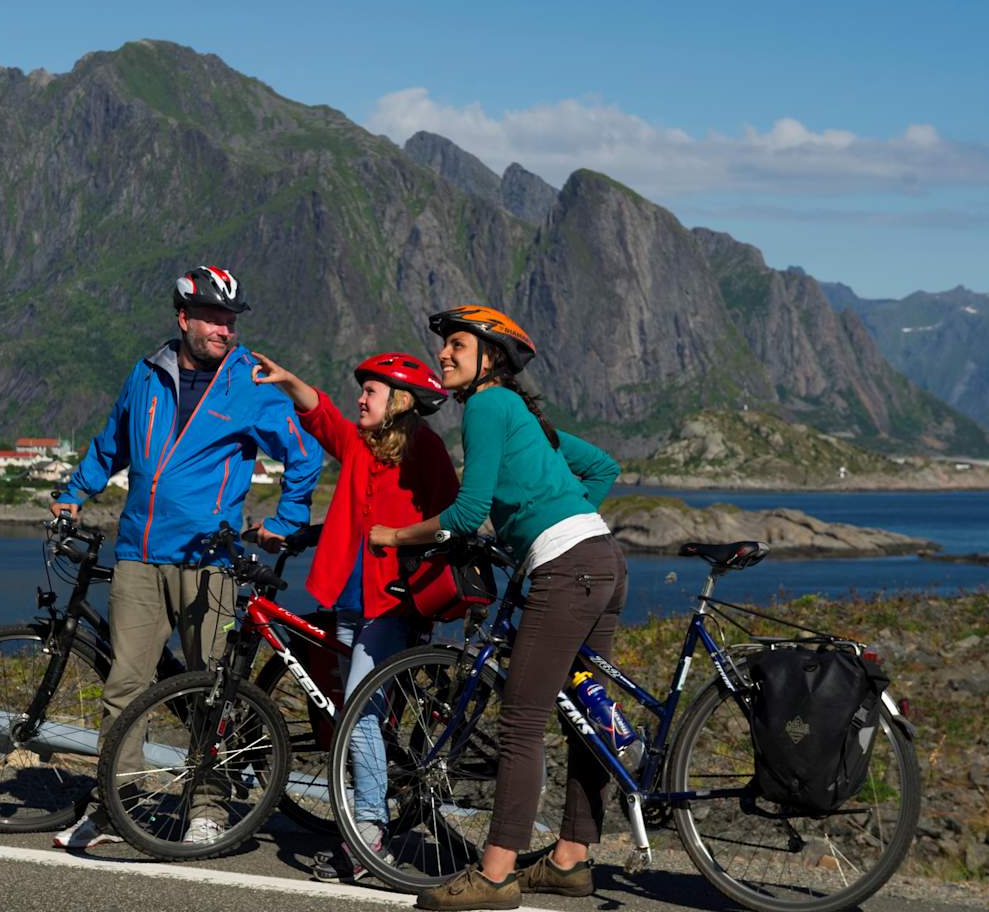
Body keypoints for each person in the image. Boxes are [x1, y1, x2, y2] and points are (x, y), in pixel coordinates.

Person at [50, 265, 322, 850]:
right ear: (184, 319)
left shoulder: (248, 382)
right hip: (139, 555)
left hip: (209, 563)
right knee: (125, 686)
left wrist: (285, 522)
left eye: (231, 320)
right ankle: (115, 804)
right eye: (215, 319)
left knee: (210, 689)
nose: (225, 329)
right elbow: (110, 446)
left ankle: (210, 805)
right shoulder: (146, 375)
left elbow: (304, 457)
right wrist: (71, 495)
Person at [368, 305, 624, 911]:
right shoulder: (520, 413)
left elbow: (464, 512)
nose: (445, 355)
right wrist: (550, 518)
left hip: (567, 568)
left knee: (520, 723)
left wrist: (394, 536)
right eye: (444, 346)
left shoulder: (486, 406)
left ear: (492, 358)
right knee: (584, 717)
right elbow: (603, 469)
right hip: (603, 560)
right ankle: (569, 860)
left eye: (458, 345)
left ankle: (495, 875)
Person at [250, 350, 459, 883]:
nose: (360, 398)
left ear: (400, 401)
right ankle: (368, 817)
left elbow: (452, 515)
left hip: (393, 601)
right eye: (361, 389)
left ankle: (368, 833)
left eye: (371, 391)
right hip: (347, 595)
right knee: (358, 709)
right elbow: (320, 415)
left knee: (361, 710)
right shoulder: (360, 444)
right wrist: (289, 379)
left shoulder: (427, 449)